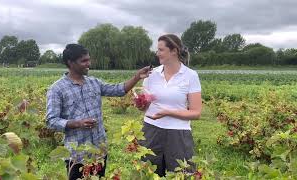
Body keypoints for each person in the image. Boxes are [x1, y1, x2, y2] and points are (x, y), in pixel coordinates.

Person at [46, 44, 151, 180]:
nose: (88, 64)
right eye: (84, 61)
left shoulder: (94, 82)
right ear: (70, 63)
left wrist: (137, 77)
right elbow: (51, 120)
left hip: (99, 151)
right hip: (77, 156)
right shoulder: (57, 89)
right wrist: (77, 123)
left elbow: (118, 90)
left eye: (89, 59)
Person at [137, 34, 202, 177]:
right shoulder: (152, 74)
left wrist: (169, 112)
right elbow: (144, 105)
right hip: (150, 131)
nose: (157, 53)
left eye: (161, 50)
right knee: (148, 173)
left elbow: (196, 112)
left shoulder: (190, 75)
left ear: (174, 51)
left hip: (178, 133)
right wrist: (140, 104)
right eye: (157, 49)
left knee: (182, 174)